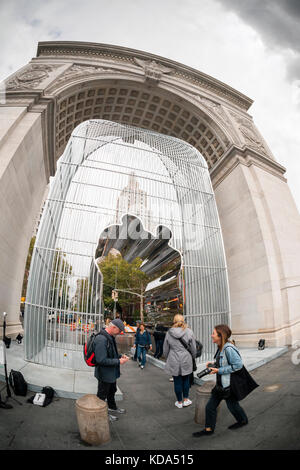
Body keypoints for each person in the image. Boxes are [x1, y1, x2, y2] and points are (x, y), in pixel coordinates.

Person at [192, 324, 248, 437]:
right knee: (211, 407)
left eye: (213, 333)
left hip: (229, 385)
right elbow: (223, 363)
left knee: (233, 406)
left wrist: (218, 370)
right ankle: (209, 429)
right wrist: (213, 365)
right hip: (221, 384)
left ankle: (242, 420)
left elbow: (238, 365)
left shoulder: (229, 349)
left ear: (220, 336)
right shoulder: (220, 348)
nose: (211, 335)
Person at [94, 318, 129, 422]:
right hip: (104, 374)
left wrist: (120, 356)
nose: (119, 333)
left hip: (111, 373)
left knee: (112, 391)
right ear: (113, 327)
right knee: (102, 395)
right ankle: (101, 414)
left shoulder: (109, 337)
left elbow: (111, 354)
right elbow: (101, 360)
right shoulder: (102, 339)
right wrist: (119, 361)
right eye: (119, 330)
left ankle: (112, 407)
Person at [163, 314, 196, 408]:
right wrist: (193, 356)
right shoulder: (189, 331)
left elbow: (165, 348)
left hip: (174, 358)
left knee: (177, 381)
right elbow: (193, 347)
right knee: (186, 380)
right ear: (183, 321)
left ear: (174, 321)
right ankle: (186, 399)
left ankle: (179, 402)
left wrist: (167, 357)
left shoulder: (169, 333)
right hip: (186, 358)